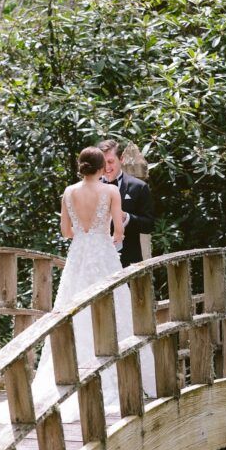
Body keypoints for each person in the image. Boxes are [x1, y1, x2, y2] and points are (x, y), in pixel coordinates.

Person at [32, 145, 155, 416]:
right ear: (102, 168)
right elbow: (119, 232)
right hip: (104, 255)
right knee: (114, 311)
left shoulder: (68, 192)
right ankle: (119, 377)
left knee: (71, 311)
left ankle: (67, 377)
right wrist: (107, 239)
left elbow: (66, 231)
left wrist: (85, 235)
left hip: (78, 257)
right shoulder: (110, 191)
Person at [98, 138, 154, 267]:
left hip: (129, 262)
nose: (106, 167)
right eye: (102, 162)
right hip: (97, 260)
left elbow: (149, 225)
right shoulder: (91, 187)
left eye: (110, 162)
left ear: (121, 159)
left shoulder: (139, 187)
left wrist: (126, 217)